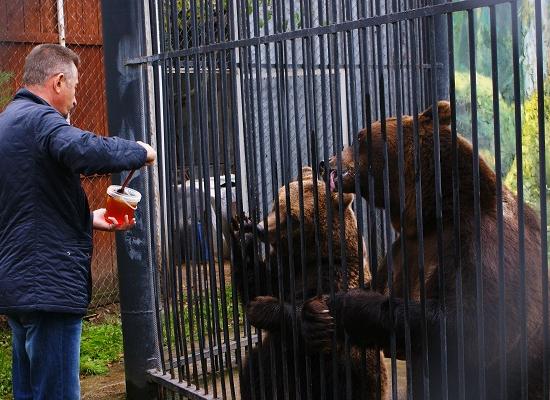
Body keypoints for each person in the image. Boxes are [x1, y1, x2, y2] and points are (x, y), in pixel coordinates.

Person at [0, 44, 156, 399]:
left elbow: (24, 205)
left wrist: (87, 218)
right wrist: (139, 152)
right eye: (73, 87)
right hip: (48, 286)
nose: (74, 99)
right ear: (57, 82)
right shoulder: (41, 121)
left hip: (20, 286)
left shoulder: (8, 122)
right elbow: (82, 148)